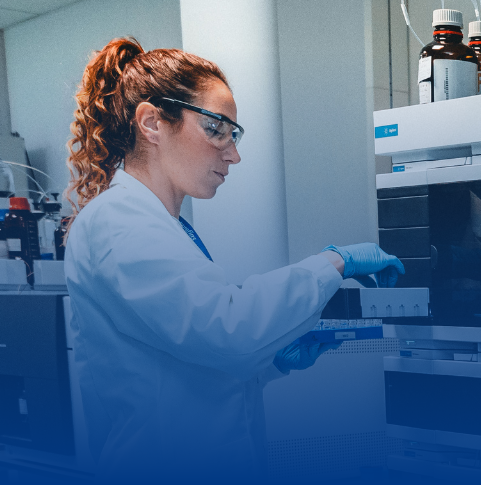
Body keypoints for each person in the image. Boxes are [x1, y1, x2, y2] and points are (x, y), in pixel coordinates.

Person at [61, 37, 401, 480]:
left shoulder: (161, 225)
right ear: (151, 123)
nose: (233, 154)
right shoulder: (118, 221)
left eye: (233, 135)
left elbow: (189, 364)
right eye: (216, 129)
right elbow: (227, 327)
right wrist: (334, 263)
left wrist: (273, 362)